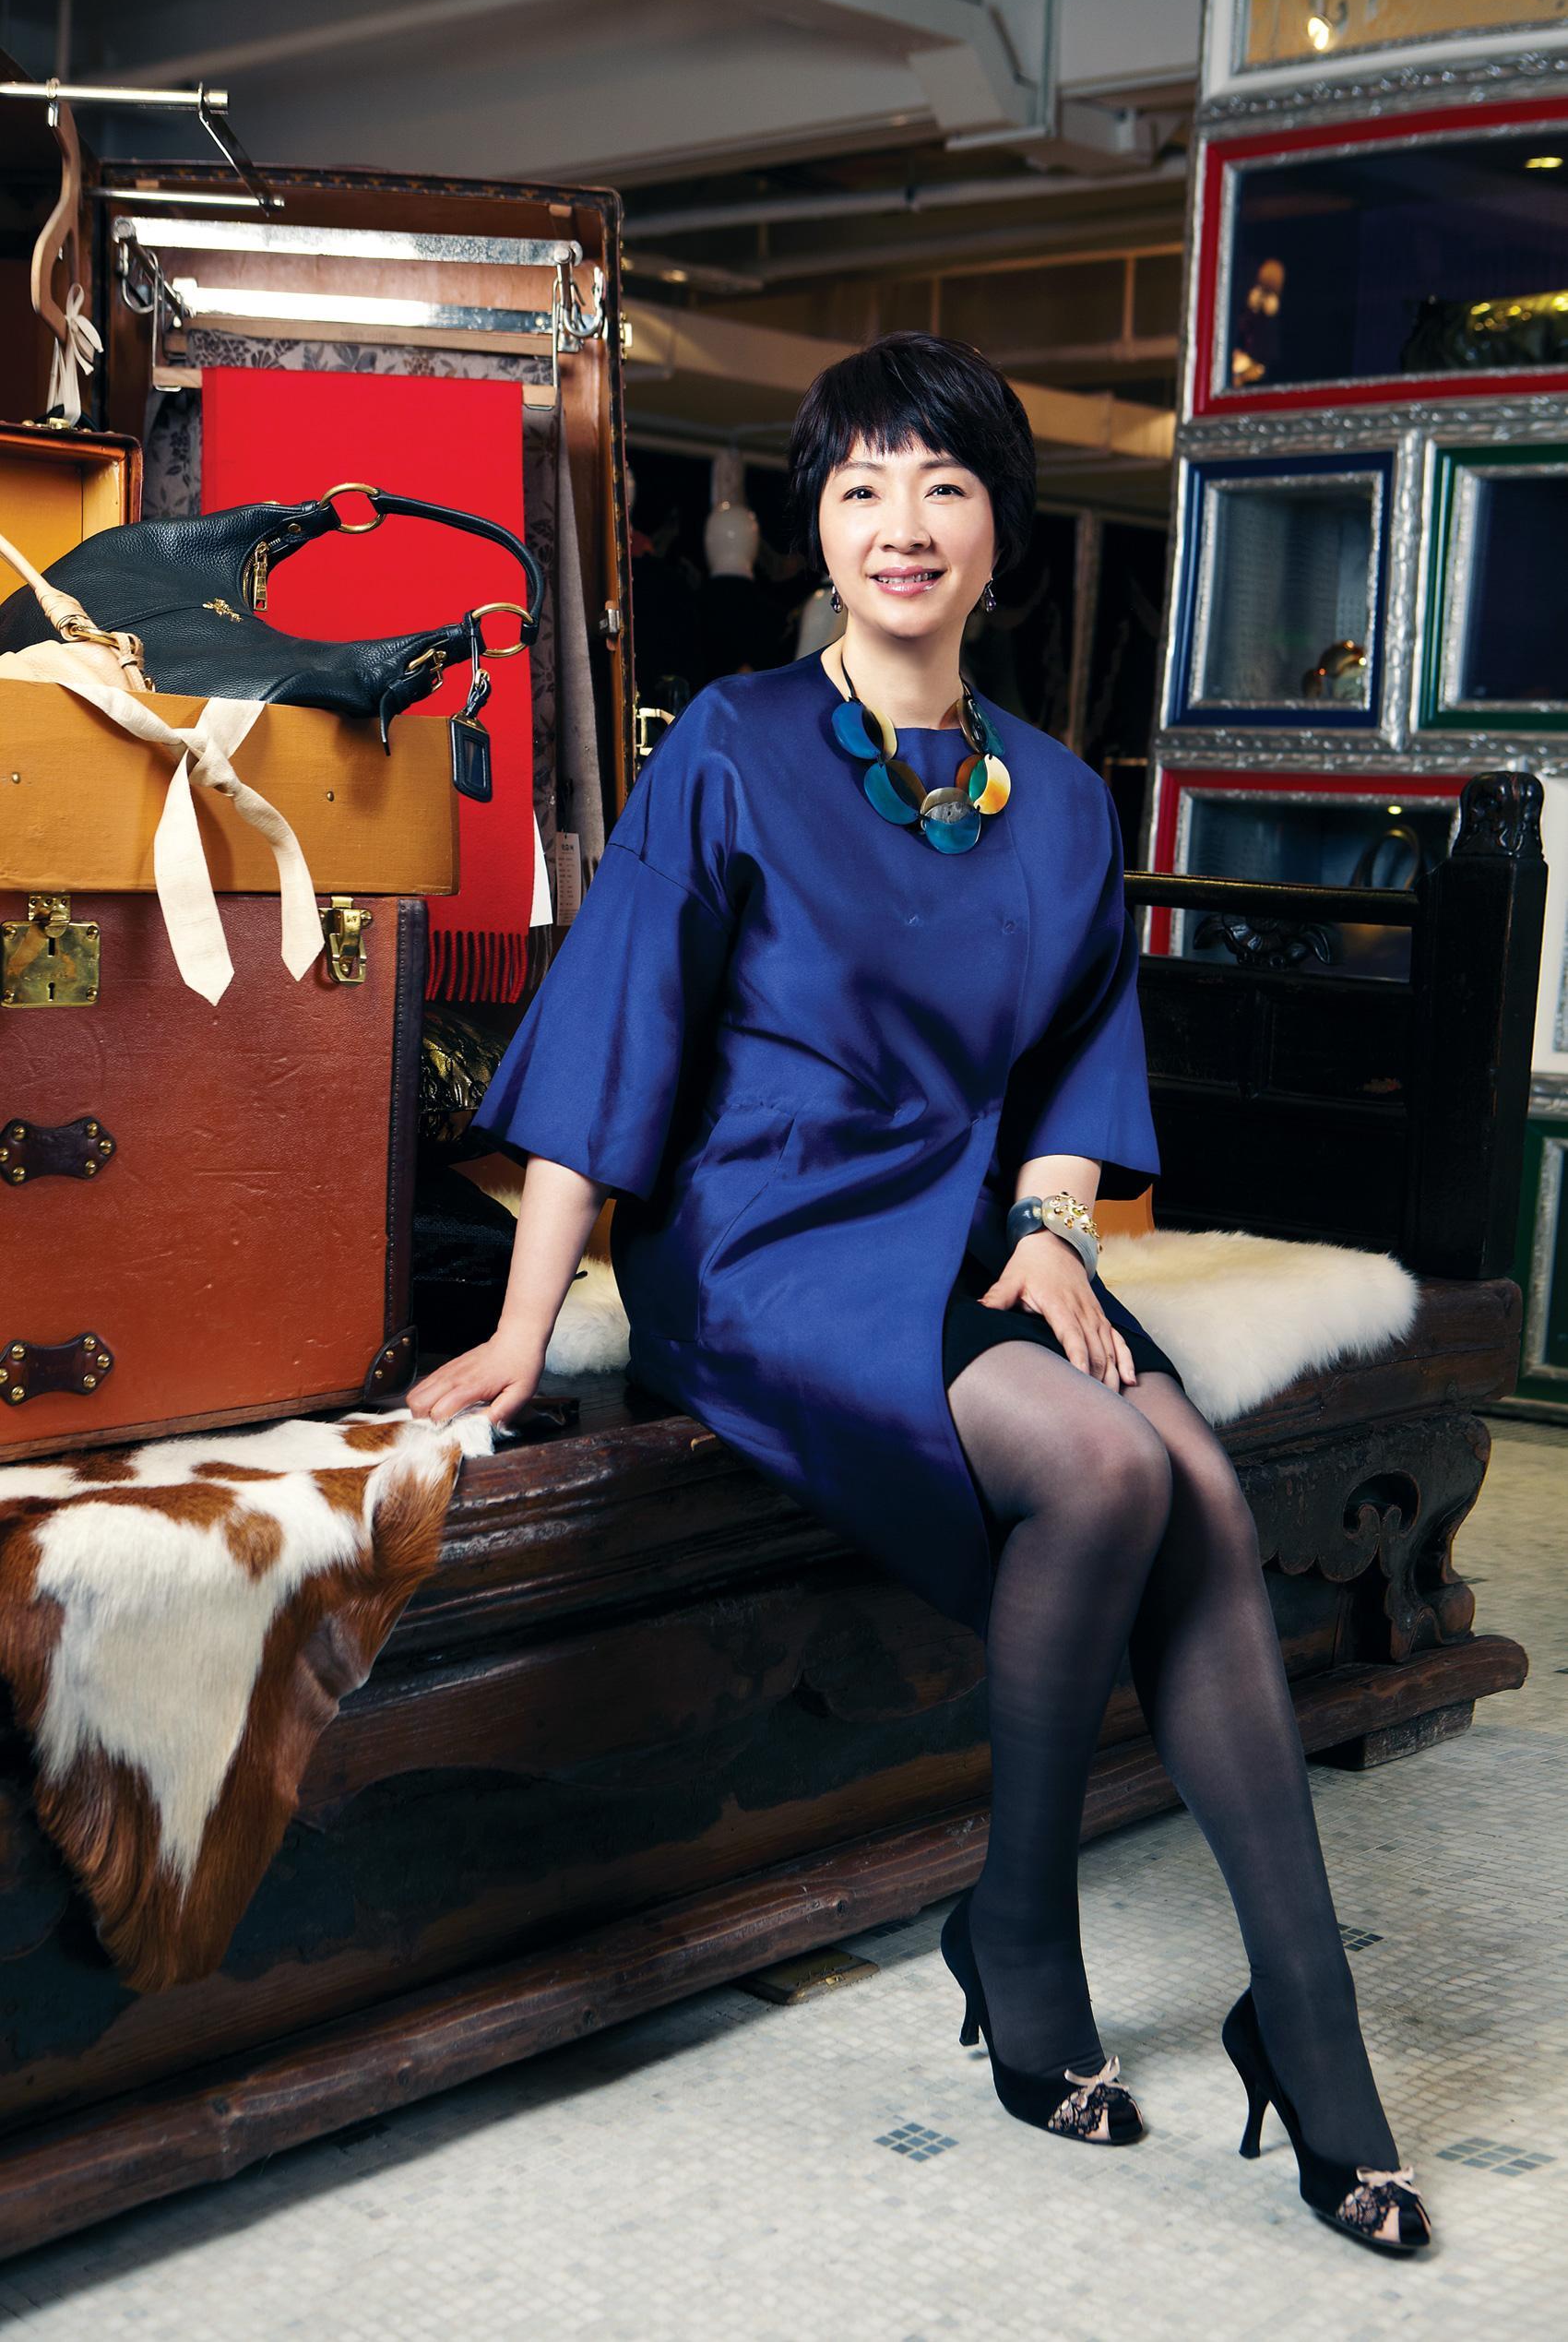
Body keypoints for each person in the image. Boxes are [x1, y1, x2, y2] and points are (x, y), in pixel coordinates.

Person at [407, 330, 1431, 2257]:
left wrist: (1051, 1224)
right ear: (819, 523)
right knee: (1112, 1469)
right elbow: (616, 1032)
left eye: (943, 485)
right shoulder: (732, 744)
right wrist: (529, 1326)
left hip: (959, 1231)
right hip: (758, 1235)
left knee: (1196, 1490)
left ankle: (1305, 2022)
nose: (901, 522)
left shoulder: (1060, 800)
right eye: (862, 484)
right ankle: (1025, 1932)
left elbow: (1073, 1061)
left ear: (996, 535)